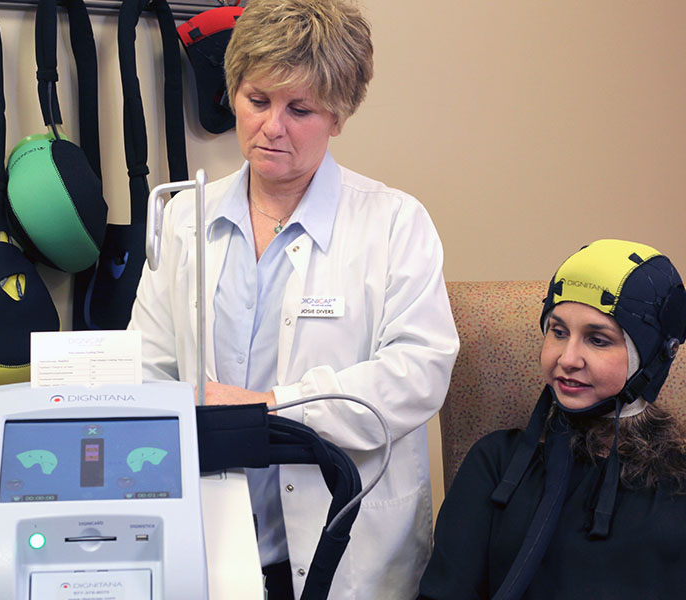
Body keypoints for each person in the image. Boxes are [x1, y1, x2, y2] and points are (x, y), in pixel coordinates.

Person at [128, 1, 460, 598]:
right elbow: (149, 364)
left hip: (349, 553)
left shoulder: (393, 224)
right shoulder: (184, 218)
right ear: (233, 93)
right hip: (211, 540)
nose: (272, 127)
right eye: (258, 101)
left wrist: (270, 407)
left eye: (299, 109)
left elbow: (419, 373)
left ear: (339, 114)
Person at [418, 239, 686, 600]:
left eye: (598, 340)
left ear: (651, 357)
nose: (568, 358)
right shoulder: (496, 462)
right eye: (558, 331)